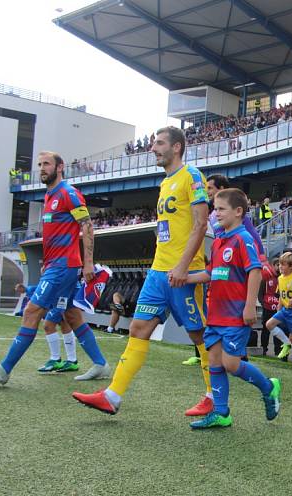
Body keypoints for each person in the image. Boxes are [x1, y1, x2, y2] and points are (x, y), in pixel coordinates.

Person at [72, 127, 211, 416]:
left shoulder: (192, 175)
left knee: (200, 337)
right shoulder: (165, 183)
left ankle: (214, 397)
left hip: (184, 273)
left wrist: (183, 266)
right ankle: (112, 396)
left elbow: (200, 224)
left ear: (177, 147)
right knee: (138, 328)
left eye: (159, 143)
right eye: (152, 143)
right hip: (158, 272)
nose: (153, 148)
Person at [0, 152, 109, 386]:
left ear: (60, 167)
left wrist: (88, 263)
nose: (41, 168)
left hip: (62, 267)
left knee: (31, 312)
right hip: (57, 266)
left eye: (46, 164)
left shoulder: (68, 194)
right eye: (39, 164)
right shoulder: (49, 195)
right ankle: (100, 364)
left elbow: (87, 226)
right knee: (71, 315)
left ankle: (3, 370)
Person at [185, 188, 280, 429]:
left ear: (238, 212)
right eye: (215, 209)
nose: (215, 214)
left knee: (231, 364)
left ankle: (269, 387)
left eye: (220, 209)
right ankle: (221, 413)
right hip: (216, 315)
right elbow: (210, 273)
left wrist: (250, 306)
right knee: (214, 363)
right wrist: (185, 277)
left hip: (236, 314)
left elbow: (255, 271)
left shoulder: (243, 239)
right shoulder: (218, 242)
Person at [266, 252, 292, 365]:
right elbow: (281, 297)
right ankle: (286, 343)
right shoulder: (280, 278)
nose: (280, 267)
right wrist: (279, 309)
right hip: (284, 310)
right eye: (279, 264)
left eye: (283, 265)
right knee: (269, 324)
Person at [37, 309, 80, 374]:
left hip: (61, 300)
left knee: (48, 325)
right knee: (64, 323)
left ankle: (55, 359)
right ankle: (72, 361)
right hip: (58, 301)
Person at [259, 258, 282, 357]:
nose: (279, 267)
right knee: (265, 330)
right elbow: (260, 293)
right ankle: (264, 348)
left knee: (278, 329)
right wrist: (263, 303)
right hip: (267, 308)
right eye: (277, 265)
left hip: (278, 309)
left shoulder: (282, 278)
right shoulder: (266, 278)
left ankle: (278, 351)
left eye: (280, 265)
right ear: (272, 266)